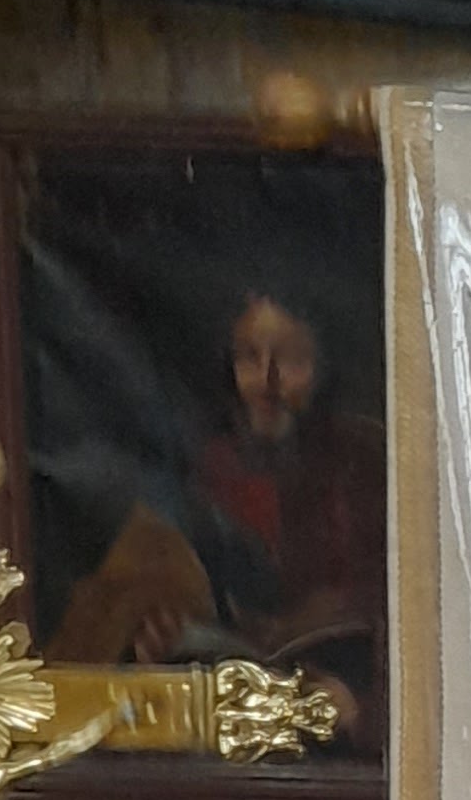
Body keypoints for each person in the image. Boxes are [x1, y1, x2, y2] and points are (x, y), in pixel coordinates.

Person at [49, 289, 386, 699]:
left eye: (292, 360)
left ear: (324, 369)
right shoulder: (212, 468)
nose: (266, 382)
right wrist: (160, 641)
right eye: (249, 357)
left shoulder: (363, 460)